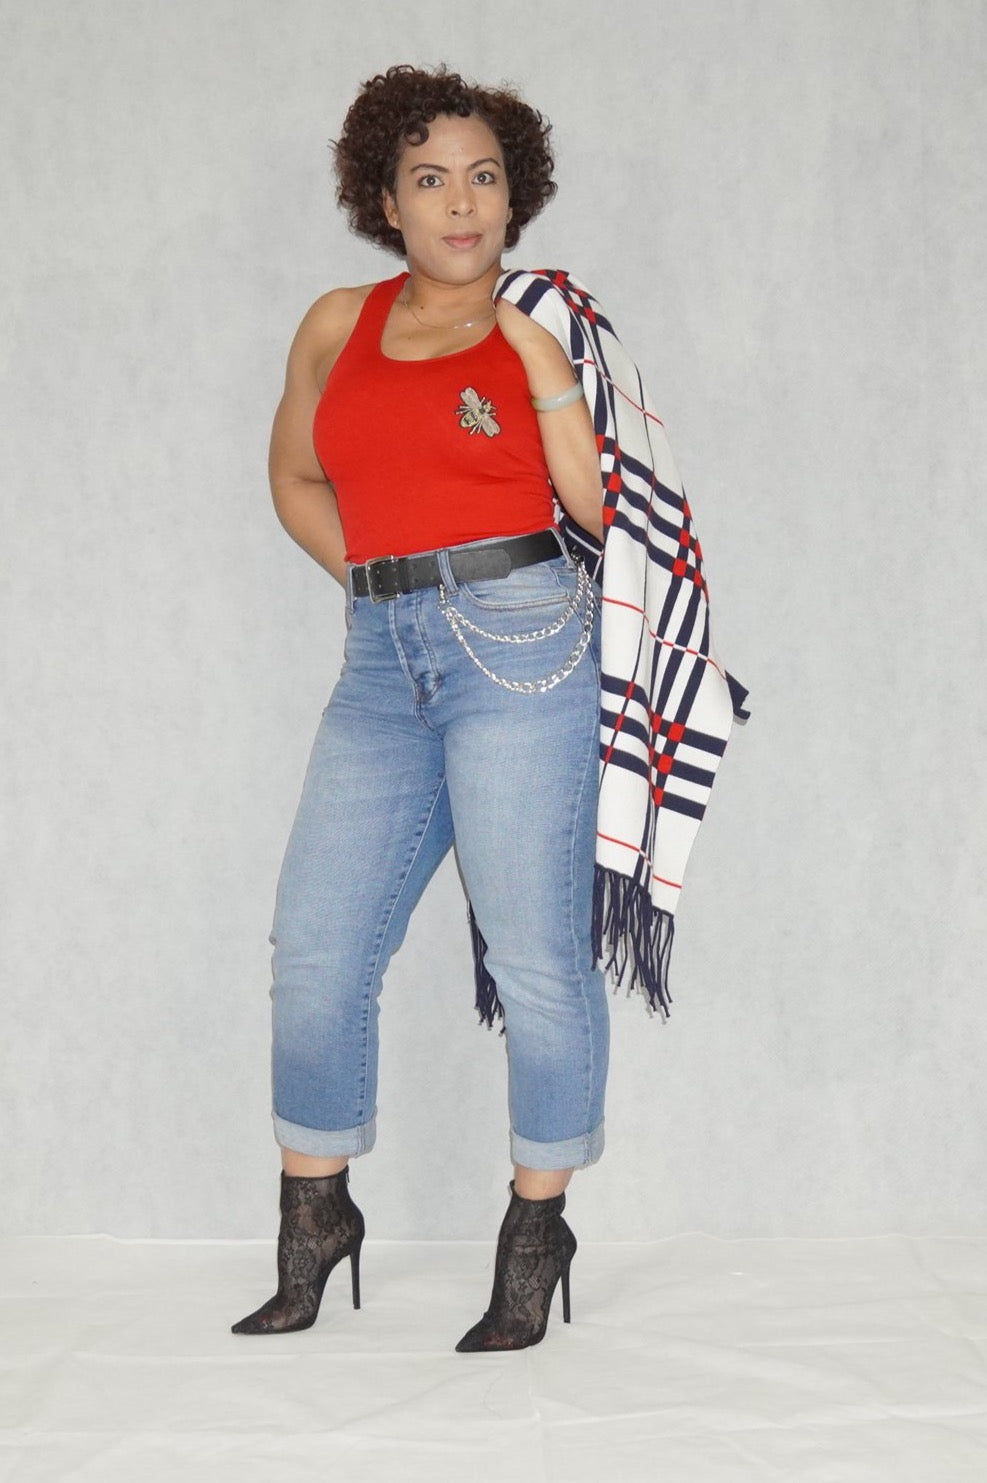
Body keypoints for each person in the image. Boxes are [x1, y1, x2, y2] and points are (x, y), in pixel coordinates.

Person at [231, 63, 748, 1352]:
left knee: (535, 959)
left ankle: (535, 1231)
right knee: (316, 949)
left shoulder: (546, 322)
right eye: (430, 179)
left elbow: (603, 513)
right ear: (385, 200)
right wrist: (384, 584)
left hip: (523, 649)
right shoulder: (335, 322)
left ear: (516, 195)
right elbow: (295, 478)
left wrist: (543, 370)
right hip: (381, 662)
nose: (461, 203)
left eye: (484, 177)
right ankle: (314, 1219)